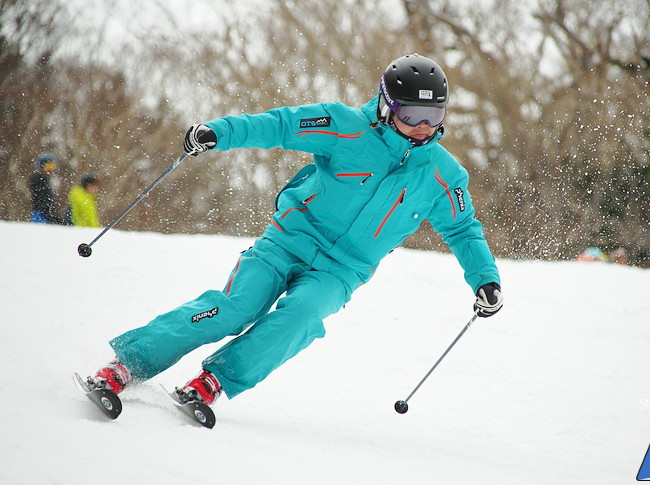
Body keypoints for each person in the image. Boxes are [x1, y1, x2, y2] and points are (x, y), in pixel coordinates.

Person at [84, 54, 503, 409]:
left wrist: (486, 279)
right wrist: (220, 132)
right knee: (236, 309)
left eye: (435, 116)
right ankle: (127, 365)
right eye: (413, 115)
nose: (424, 126)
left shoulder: (443, 174)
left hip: (342, 271)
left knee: (302, 316)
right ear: (385, 105)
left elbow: (463, 229)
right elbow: (280, 125)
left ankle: (213, 382)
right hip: (288, 241)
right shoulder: (344, 126)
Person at [29, 153, 64, 224]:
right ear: (41, 167)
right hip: (41, 217)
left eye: (52, 166)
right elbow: (43, 203)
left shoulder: (46, 181)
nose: (51, 169)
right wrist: (53, 217)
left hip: (45, 216)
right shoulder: (39, 181)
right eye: (48, 166)